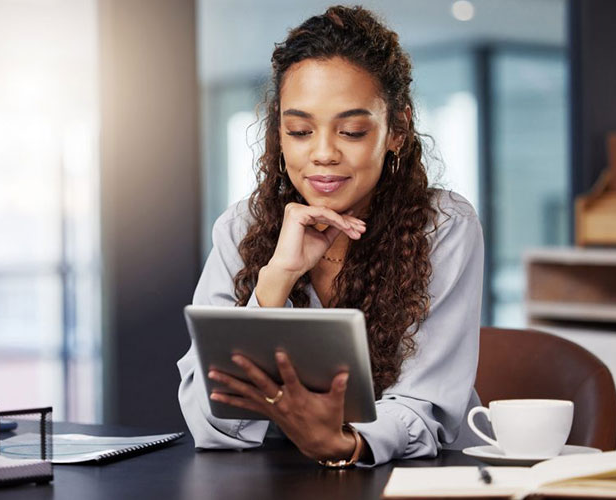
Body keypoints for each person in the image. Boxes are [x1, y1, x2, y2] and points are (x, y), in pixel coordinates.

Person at [177, 5, 485, 467]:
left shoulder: (443, 225)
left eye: (352, 131)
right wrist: (275, 281)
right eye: (300, 130)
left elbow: (426, 408)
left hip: (420, 480)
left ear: (396, 130)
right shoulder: (240, 228)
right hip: (284, 482)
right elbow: (211, 422)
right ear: (279, 134)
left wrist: (346, 445)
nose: (323, 153)